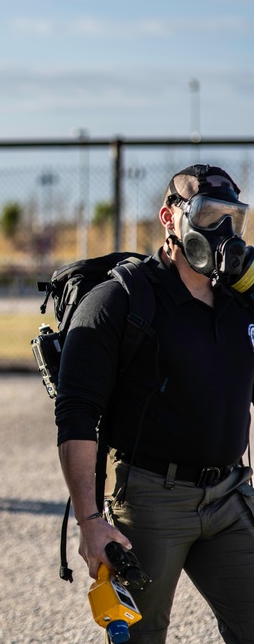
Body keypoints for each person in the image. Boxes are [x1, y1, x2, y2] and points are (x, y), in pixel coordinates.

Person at [56, 164, 254, 643]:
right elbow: (76, 414)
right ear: (171, 217)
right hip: (150, 501)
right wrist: (89, 521)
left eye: (234, 217)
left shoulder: (240, 301)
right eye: (209, 215)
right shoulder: (119, 301)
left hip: (229, 494)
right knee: (141, 637)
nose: (223, 231)